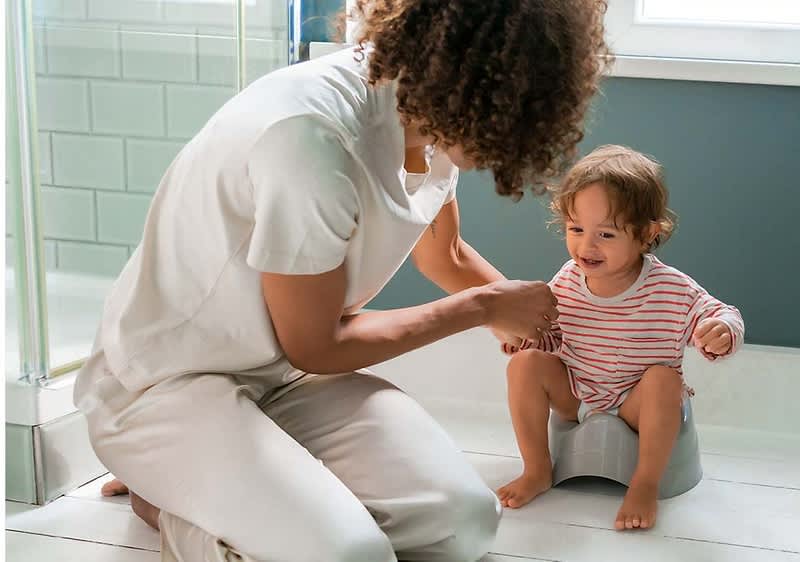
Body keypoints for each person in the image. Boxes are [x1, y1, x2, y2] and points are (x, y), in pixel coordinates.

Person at [73, 1, 610, 560]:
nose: (512, 141)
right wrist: (481, 308)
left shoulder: (428, 116)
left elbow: (445, 254)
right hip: (165, 385)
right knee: (350, 555)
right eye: (515, 115)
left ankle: (233, 490)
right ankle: (163, 498)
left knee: (465, 522)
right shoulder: (311, 142)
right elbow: (317, 344)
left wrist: (539, 328)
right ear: (473, 81)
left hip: (280, 377)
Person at [495, 145, 744, 531]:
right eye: (576, 229)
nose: (586, 246)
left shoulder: (670, 288)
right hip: (577, 393)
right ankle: (538, 468)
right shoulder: (568, 280)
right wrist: (527, 340)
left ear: (646, 234)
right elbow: (553, 338)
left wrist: (722, 331)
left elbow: (721, 312)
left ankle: (645, 484)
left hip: (636, 404)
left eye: (606, 234)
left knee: (664, 379)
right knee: (524, 365)